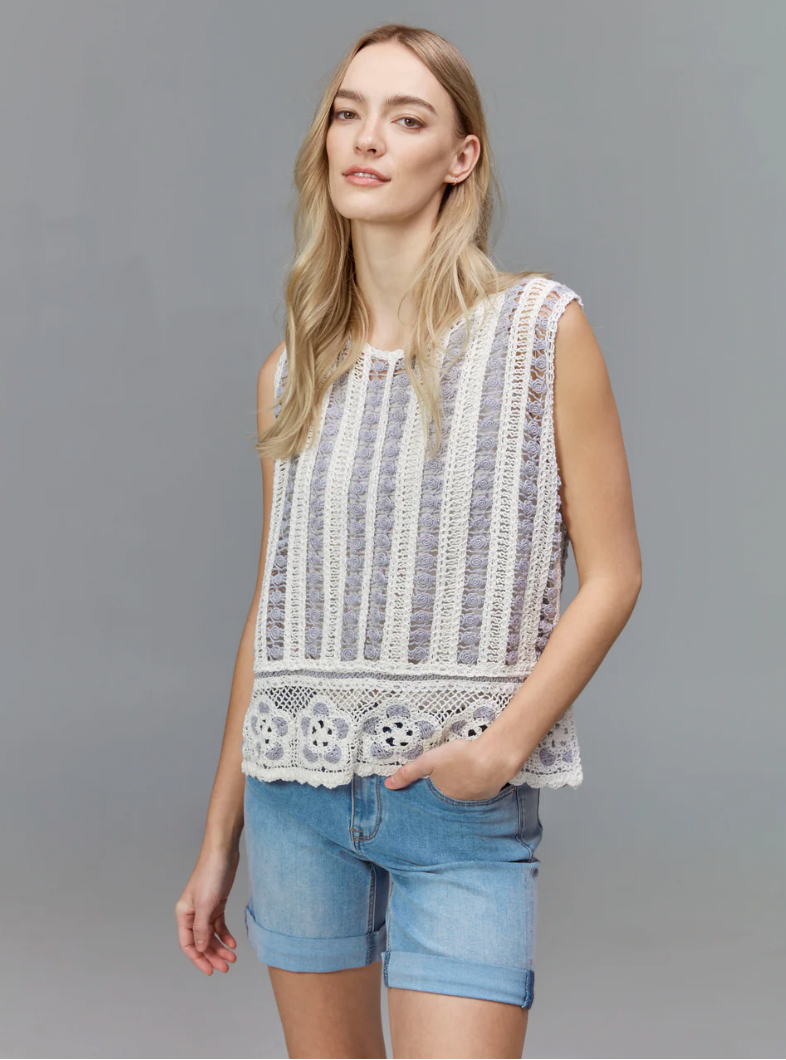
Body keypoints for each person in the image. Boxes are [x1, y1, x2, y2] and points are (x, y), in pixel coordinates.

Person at [175, 22, 641, 1060]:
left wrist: (502, 749)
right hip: (293, 807)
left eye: (406, 117)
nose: (367, 138)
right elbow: (273, 614)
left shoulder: (540, 331)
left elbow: (614, 574)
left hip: (459, 809)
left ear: (461, 157)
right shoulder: (293, 374)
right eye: (348, 112)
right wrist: (218, 840)